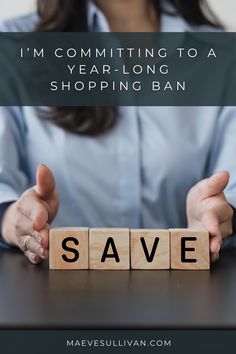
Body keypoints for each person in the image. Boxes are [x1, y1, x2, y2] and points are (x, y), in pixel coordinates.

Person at [0, 0, 235, 265]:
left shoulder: (223, 56)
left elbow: (232, 187)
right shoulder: (10, 48)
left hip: (189, 292)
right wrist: (13, 219)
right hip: (50, 295)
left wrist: (218, 215)